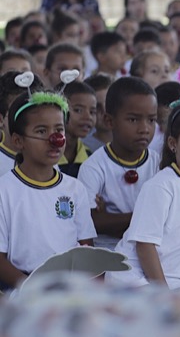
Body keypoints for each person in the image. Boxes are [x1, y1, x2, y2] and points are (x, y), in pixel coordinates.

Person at [106, 99, 180, 289]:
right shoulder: (161, 185)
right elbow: (145, 246)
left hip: (176, 283)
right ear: (173, 143)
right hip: (134, 276)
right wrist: (163, 296)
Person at [0, 90, 97, 287]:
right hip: (21, 288)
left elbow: (86, 247)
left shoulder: (75, 188)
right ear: (18, 141)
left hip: (69, 287)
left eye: (59, 129)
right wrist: (33, 288)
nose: (55, 139)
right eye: (41, 131)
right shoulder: (5, 191)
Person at [78, 77, 159, 251]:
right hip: (108, 251)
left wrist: (112, 219)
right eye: (133, 120)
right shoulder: (93, 167)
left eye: (151, 120)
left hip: (152, 251)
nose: (144, 129)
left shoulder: (159, 163)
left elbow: (169, 217)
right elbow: (91, 222)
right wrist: (146, 216)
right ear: (109, 121)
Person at [59, 82, 96, 178]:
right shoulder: (45, 154)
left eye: (92, 112)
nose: (88, 117)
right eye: (78, 110)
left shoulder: (90, 157)